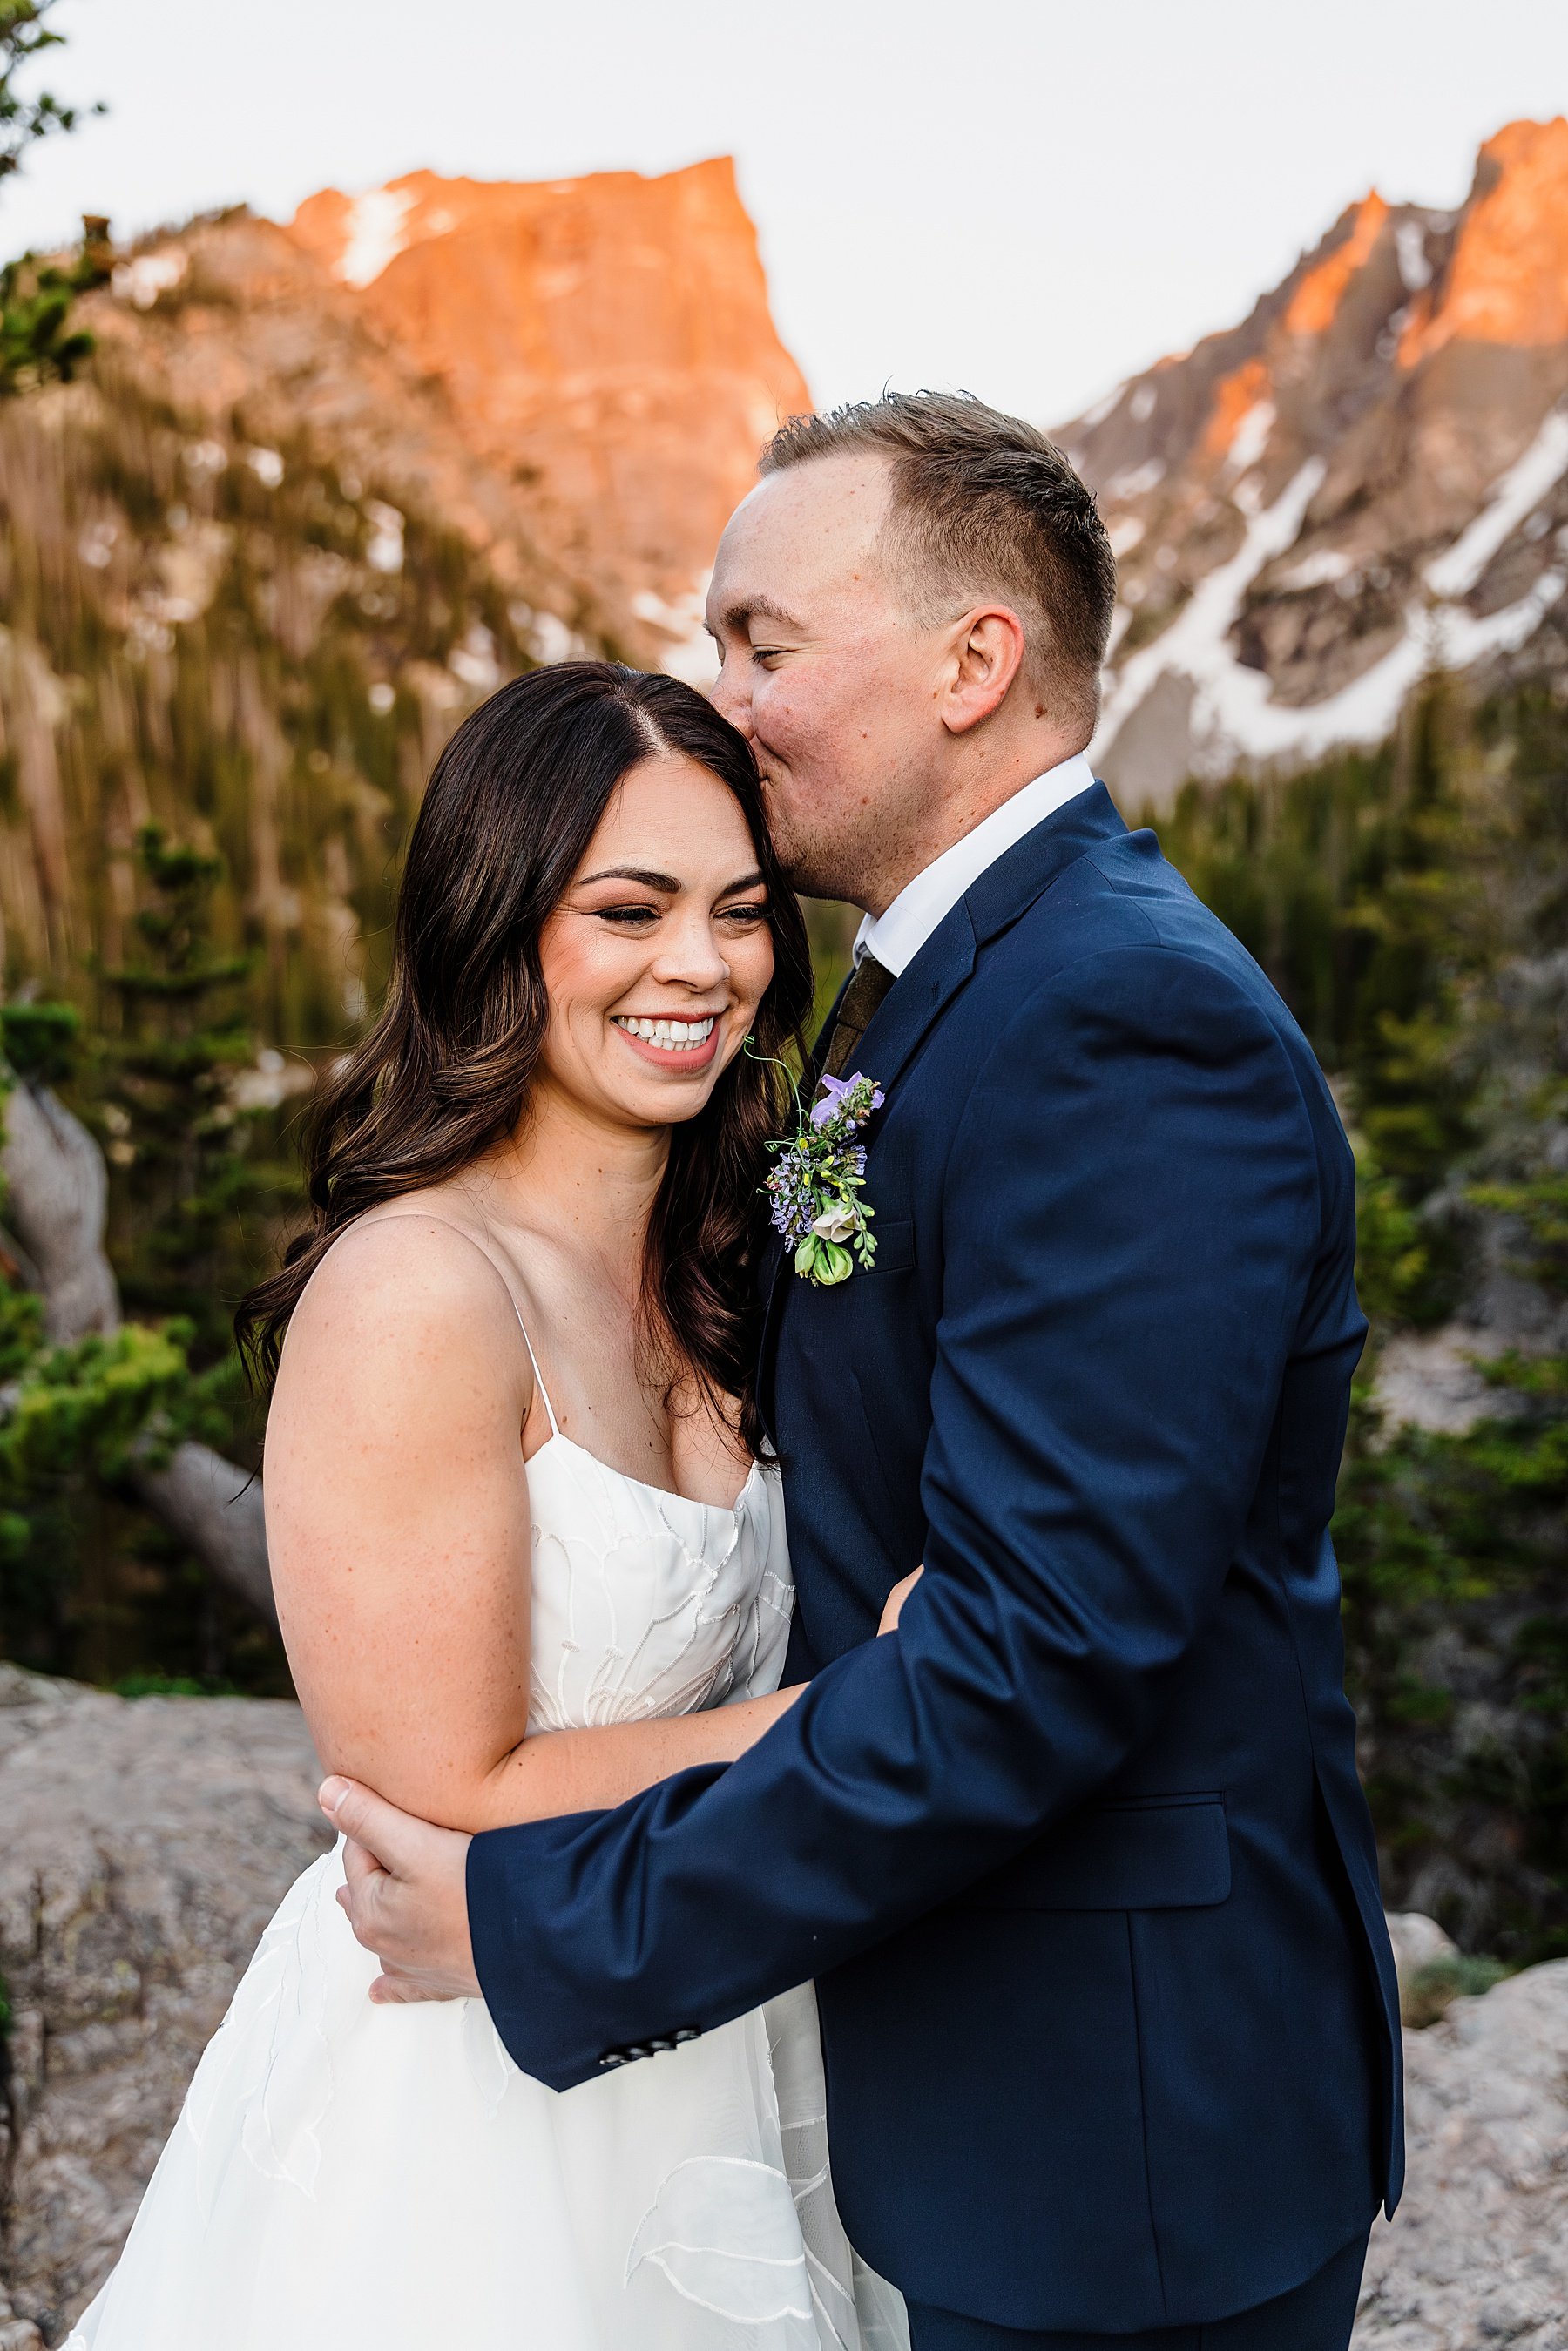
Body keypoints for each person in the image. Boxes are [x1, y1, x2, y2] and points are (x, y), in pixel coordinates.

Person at [329, 393, 1405, 2351]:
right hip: (944, 2053)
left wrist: (547, 1924)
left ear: (973, 664)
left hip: (1112, 2123)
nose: (719, 698)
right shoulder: (953, 980)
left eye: (764, 642)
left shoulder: (1121, 1024)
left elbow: (1035, 1663)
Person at [64, 662, 911, 2351]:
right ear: (497, 923)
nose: (703, 965)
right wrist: (867, 1719)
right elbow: (435, 1784)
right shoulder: (419, 1292)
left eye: (743, 910)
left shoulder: (738, 1266)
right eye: (630, 907)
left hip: (732, 2007)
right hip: (473, 2075)